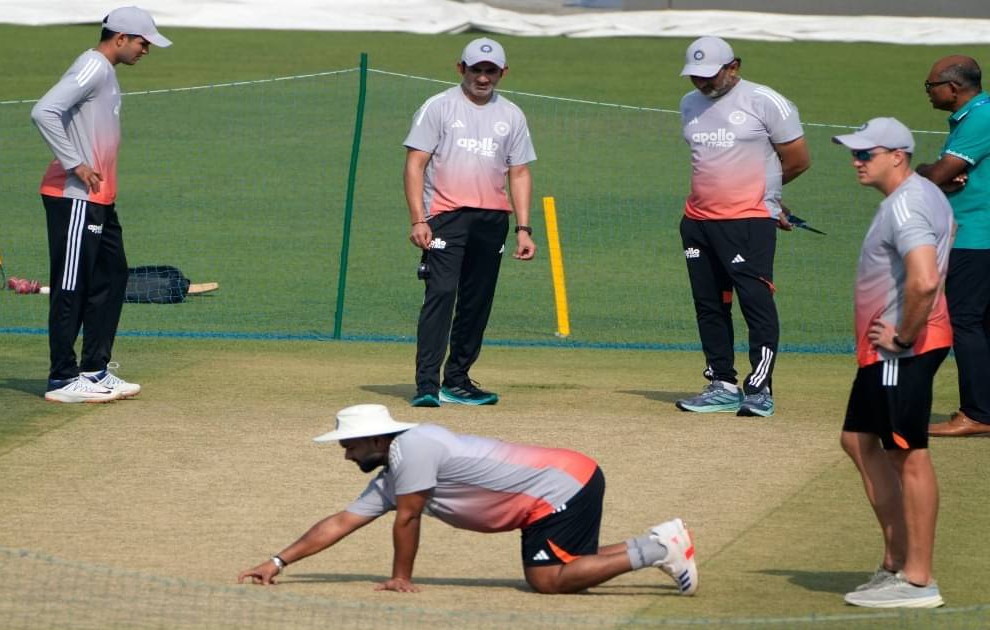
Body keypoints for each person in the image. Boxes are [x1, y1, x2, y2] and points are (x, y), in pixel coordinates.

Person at [237, 404, 698, 596]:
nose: (345, 452)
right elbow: (340, 522)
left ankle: (660, 549)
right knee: (560, 564)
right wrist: (278, 561)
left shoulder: (413, 448)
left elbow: (409, 519)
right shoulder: (395, 470)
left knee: (547, 579)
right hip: (552, 491)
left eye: (349, 444)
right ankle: (662, 541)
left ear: (376, 438)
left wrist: (400, 577)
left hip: (561, 486)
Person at [832, 118, 954, 608]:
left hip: (900, 350)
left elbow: (923, 280)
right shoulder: (921, 194)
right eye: (855, 153)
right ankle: (895, 561)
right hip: (887, 349)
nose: (857, 161)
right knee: (858, 440)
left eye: (867, 154)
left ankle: (918, 580)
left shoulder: (906, 206)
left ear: (898, 155)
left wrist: (903, 335)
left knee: (906, 452)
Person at [30, 6, 171, 403]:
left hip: (99, 200)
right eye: (144, 42)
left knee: (112, 280)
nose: (147, 50)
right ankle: (61, 379)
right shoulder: (93, 66)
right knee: (71, 286)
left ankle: (94, 371)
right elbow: (44, 111)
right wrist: (75, 163)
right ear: (121, 38)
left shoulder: (105, 72)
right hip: (73, 198)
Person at [673, 36, 811, 417]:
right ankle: (722, 382)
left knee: (755, 302)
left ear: (734, 66)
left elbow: (797, 159)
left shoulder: (766, 100)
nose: (701, 83)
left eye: (709, 75)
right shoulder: (689, 104)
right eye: (695, 76)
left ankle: (760, 387)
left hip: (747, 221)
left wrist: (768, 196)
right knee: (709, 304)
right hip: (697, 221)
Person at [403, 37, 537, 408]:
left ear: (502, 72)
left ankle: (457, 381)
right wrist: (419, 219)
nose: (482, 77)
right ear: (460, 68)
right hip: (445, 218)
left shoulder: (512, 115)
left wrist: (523, 229)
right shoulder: (439, 107)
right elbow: (415, 164)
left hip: (492, 220)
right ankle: (427, 384)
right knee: (442, 294)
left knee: (477, 301)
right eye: (475, 69)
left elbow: (520, 173)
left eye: (490, 70)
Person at [916, 56, 990, 437]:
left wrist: (924, 171)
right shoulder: (980, 114)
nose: (928, 93)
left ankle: (977, 414)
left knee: (965, 322)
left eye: (930, 86)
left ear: (954, 88)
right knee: (981, 322)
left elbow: (940, 175)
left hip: (977, 236)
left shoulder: (979, 117)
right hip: (978, 235)